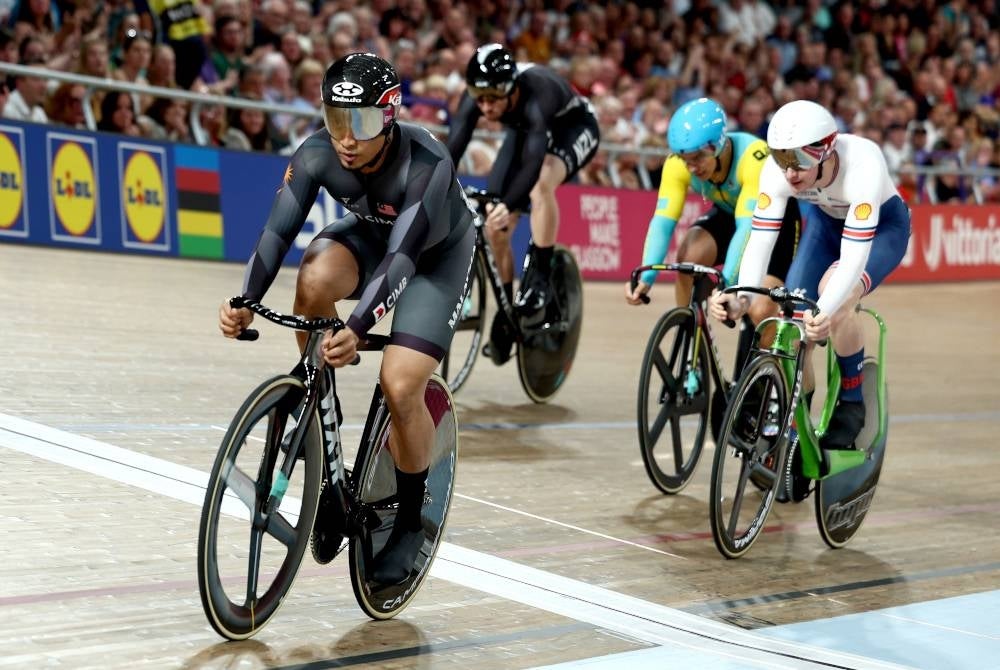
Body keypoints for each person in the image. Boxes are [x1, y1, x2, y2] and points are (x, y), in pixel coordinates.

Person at [218, 53, 476, 586]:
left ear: (390, 116)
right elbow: (277, 232)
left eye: (361, 122)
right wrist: (245, 298)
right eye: (337, 119)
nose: (347, 138)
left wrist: (356, 328)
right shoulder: (317, 152)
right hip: (374, 237)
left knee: (400, 385)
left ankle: (411, 521)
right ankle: (324, 423)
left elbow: (402, 259)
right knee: (312, 281)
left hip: (434, 258)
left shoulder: (426, 163)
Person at [709, 99, 911, 450]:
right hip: (825, 226)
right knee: (794, 322)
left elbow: (854, 257)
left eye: (800, 159)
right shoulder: (777, 171)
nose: (790, 172)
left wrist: (827, 309)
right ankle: (797, 423)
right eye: (782, 158)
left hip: (882, 230)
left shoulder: (864, 162)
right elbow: (761, 240)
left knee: (837, 296)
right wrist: (742, 296)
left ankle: (852, 401)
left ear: (826, 150)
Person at [447, 43, 600, 365]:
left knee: (541, 186)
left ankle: (541, 275)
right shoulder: (479, 96)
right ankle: (507, 309)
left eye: (493, 98)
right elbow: (454, 148)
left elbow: (532, 163)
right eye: (479, 98)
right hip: (525, 131)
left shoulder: (537, 94)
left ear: (511, 89)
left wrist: (510, 203)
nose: (485, 107)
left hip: (573, 127)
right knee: (494, 223)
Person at [625, 97, 799, 369]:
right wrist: (646, 277)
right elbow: (663, 221)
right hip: (729, 214)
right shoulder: (677, 164)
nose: (691, 167)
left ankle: (764, 374)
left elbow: (748, 228)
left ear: (718, 145)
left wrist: (726, 283)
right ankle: (690, 345)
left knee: (760, 310)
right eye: (685, 160)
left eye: (697, 158)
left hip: (774, 224)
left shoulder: (752, 158)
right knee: (689, 256)